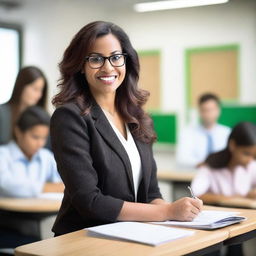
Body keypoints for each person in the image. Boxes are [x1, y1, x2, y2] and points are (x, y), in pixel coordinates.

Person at [50, 21, 203, 236]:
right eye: (95, 59)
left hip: (132, 236)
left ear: (126, 61)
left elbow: (151, 193)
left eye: (115, 57)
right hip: (86, 239)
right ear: (80, 66)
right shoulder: (70, 117)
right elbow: (89, 201)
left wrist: (178, 212)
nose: (108, 67)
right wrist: (167, 211)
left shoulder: (139, 118)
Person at [191, 122, 256, 256]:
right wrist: (232, 199)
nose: (250, 159)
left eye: (253, 155)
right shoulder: (211, 165)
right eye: (246, 153)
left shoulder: (250, 165)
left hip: (241, 220)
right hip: (215, 220)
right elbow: (196, 192)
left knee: (237, 245)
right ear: (232, 146)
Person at [0, 106, 63, 198]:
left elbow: (62, 185)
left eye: (44, 138)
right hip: (9, 212)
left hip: (43, 210)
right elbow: (5, 184)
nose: (40, 143)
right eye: (35, 137)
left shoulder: (46, 156)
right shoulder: (3, 155)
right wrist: (45, 188)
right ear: (18, 132)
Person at [176, 93, 231, 168]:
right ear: (199, 112)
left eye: (211, 109)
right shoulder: (187, 133)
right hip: (194, 175)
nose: (208, 113)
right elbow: (182, 158)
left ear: (218, 110)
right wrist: (204, 164)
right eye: (205, 110)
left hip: (220, 174)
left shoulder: (228, 132)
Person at [0, 66, 48, 145]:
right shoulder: (2, 113)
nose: (39, 95)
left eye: (41, 90)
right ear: (21, 86)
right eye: (35, 89)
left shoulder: (42, 118)